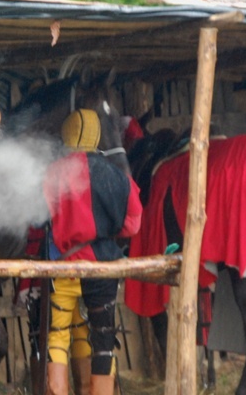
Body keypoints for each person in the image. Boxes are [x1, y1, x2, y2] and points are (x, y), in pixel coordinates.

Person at [41, 108, 143, 395]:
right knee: (102, 341)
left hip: (62, 269)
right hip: (103, 270)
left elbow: (39, 219)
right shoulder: (117, 176)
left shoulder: (52, 173)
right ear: (97, 135)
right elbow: (133, 225)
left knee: (58, 338)